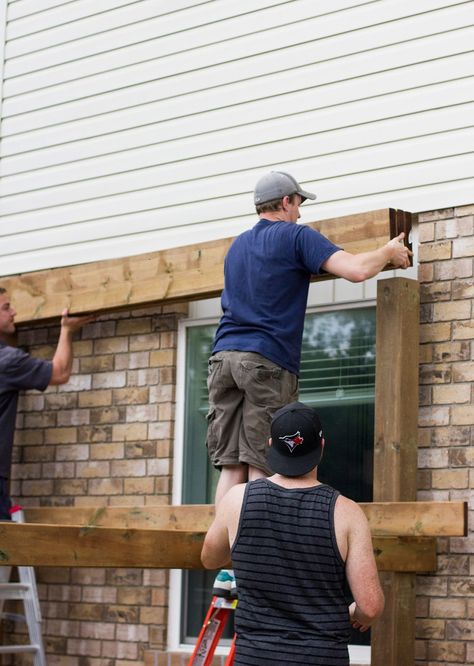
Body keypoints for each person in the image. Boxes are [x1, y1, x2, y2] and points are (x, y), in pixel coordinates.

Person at [207, 170, 412, 506]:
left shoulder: (237, 247)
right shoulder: (296, 237)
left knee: (231, 468)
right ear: (286, 201)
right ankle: (259, 553)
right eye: (298, 203)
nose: (300, 212)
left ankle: (225, 549)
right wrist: (389, 251)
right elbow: (357, 269)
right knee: (263, 465)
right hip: (264, 362)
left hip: (221, 361)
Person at [201, 401, 385, 666]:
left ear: (270, 444)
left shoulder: (237, 500)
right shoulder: (346, 512)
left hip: (255, 658)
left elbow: (210, 559)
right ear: (321, 447)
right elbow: (370, 607)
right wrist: (354, 612)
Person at [0, 287, 94, 520]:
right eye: (5, 307)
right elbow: (60, 372)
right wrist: (67, 330)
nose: (14, 312)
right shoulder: (6, 361)